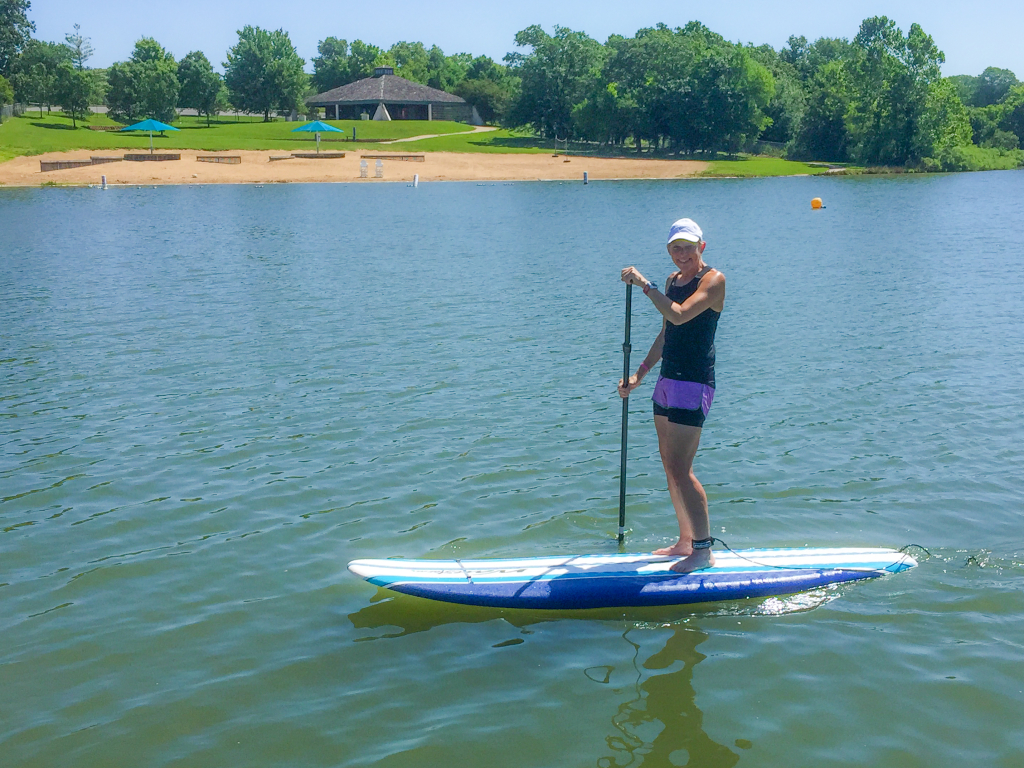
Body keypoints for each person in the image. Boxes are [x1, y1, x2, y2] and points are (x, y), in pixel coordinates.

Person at [618, 218, 726, 573]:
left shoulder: (713, 280)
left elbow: (679, 315)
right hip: (667, 379)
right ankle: (684, 540)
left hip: (694, 383)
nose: (682, 254)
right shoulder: (671, 282)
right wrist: (640, 374)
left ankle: (703, 549)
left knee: (682, 468)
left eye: (688, 247)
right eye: (675, 248)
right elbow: (667, 333)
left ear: (702, 247)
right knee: (669, 465)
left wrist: (645, 286)